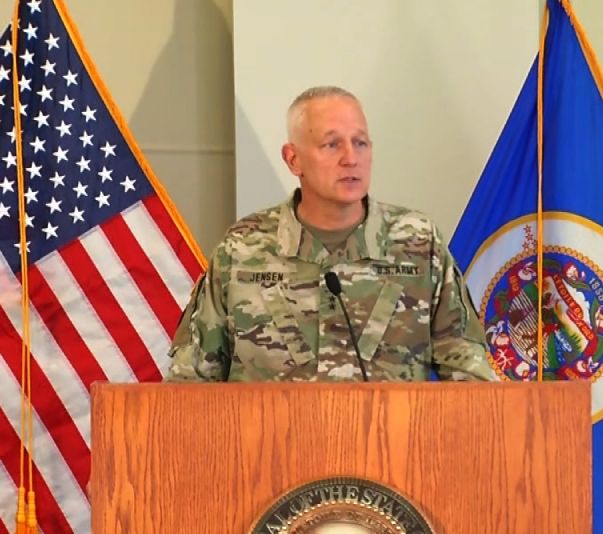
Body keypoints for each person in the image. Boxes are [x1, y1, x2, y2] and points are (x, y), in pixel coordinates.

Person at [166, 86, 495, 382]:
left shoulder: (418, 244)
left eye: (360, 143)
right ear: (294, 159)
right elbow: (190, 382)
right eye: (332, 144)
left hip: (390, 447)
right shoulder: (241, 249)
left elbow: (470, 376)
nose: (351, 158)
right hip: (269, 447)